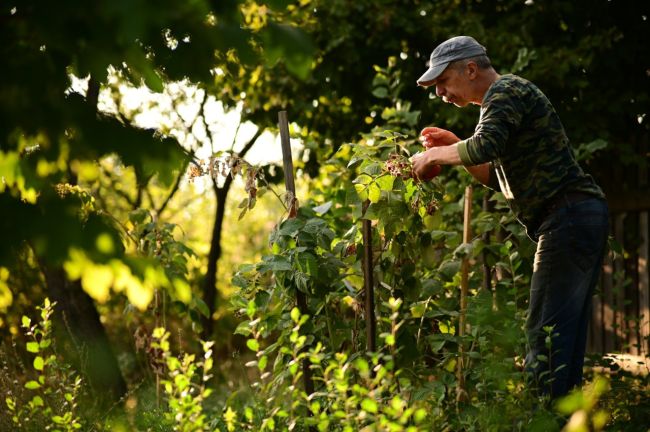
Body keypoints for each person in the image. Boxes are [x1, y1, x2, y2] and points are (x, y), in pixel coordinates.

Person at [411, 35, 609, 399]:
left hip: (567, 217)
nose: (440, 93)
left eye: (443, 82)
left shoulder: (505, 92)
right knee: (562, 339)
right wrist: (453, 142)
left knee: (545, 337)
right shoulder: (499, 106)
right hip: (576, 216)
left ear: (470, 69)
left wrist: (431, 158)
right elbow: (493, 175)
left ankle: (544, 418)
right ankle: (566, 416)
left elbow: (483, 146)